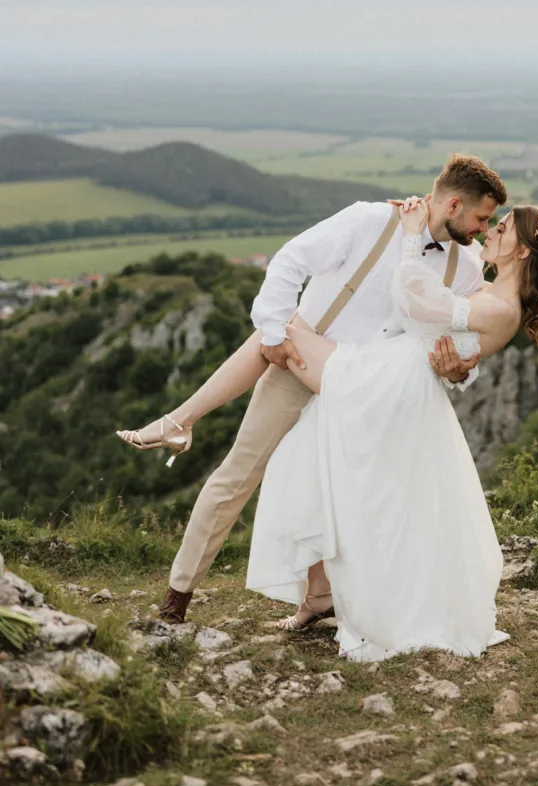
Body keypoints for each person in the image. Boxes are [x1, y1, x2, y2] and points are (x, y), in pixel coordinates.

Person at [117, 155, 508, 624]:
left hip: (371, 397)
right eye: (482, 218)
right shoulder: (369, 220)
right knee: (238, 476)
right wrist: (273, 332)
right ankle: (176, 597)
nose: (484, 229)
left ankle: (324, 600)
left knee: (347, 499)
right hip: (300, 369)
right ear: (455, 204)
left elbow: (455, 342)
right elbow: (291, 260)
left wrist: (460, 372)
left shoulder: (467, 268)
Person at [245, 198, 538, 660]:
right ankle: (321, 594)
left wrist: (412, 234)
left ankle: (186, 416)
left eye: (502, 229)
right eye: (492, 223)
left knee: (282, 332)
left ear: (520, 252)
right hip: (394, 379)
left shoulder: (502, 307)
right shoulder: (491, 292)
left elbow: (414, 302)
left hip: (387, 384)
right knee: (330, 465)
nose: (490, 231)